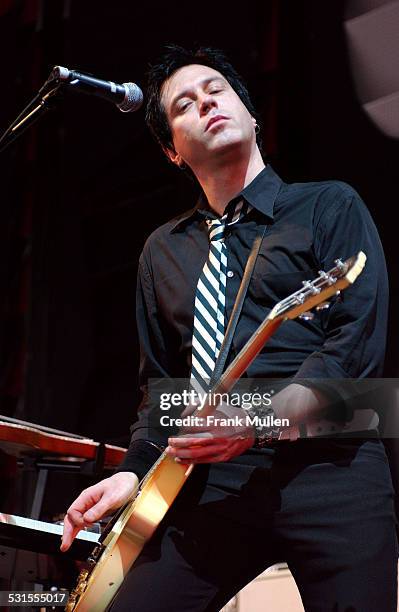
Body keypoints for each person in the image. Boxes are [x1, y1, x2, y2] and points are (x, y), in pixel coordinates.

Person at [61, 46, 397, 611]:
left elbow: (353, 353)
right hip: (208, 482)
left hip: (332, 466)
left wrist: (257, 422)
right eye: (185, 105)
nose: (207, 102)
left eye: (217, 89)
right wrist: (132, 475)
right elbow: (161, 391)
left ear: (251, 112)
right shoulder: (161, 251)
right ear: (172, 150)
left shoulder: (328, 206)